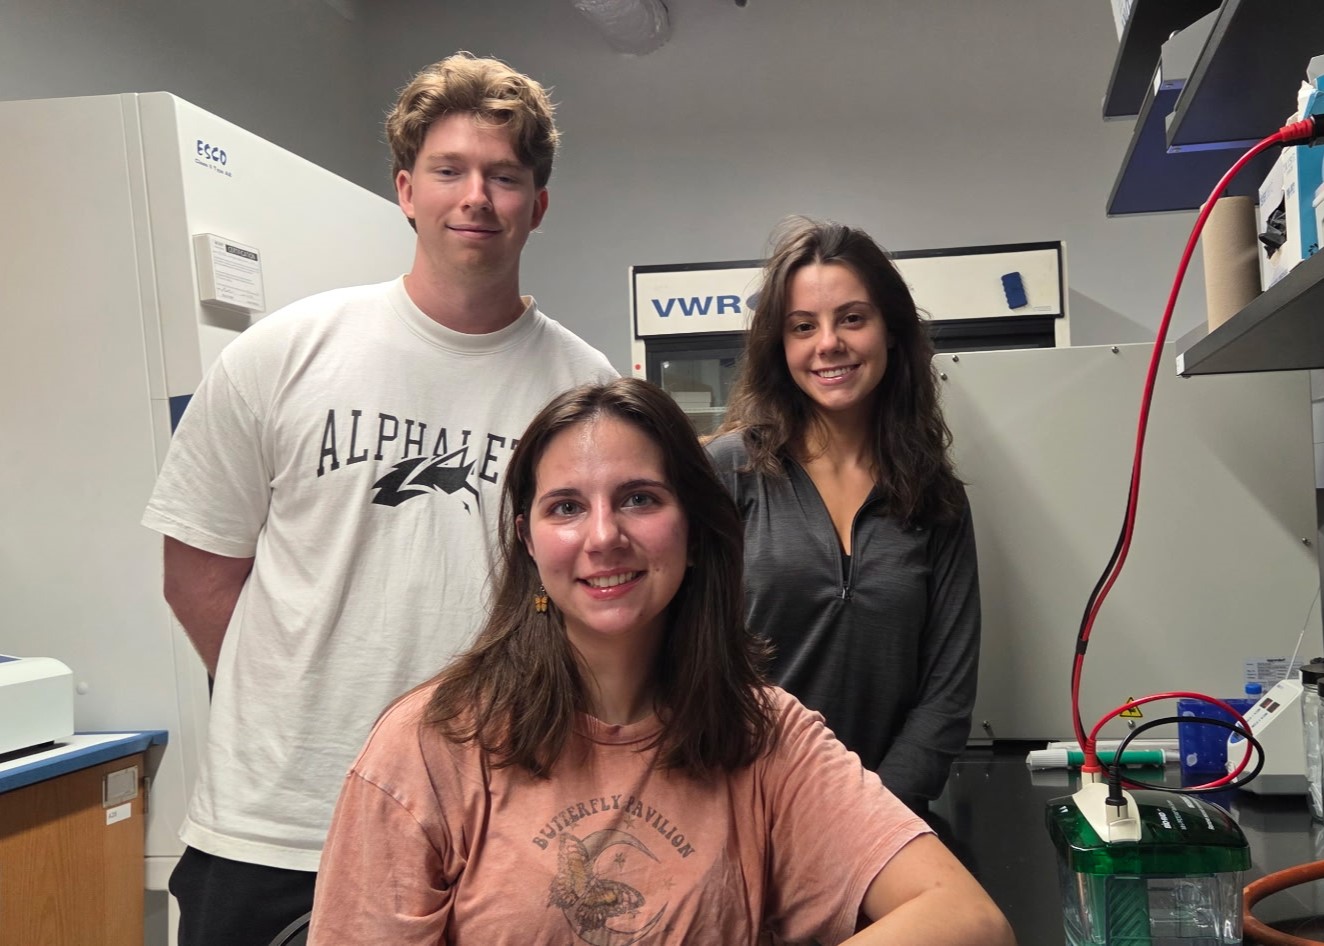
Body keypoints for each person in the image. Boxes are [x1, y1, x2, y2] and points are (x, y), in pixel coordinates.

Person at [141, 52, 616, 945]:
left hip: (489, 822)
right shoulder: (282, 355)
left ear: (537, 206)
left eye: (504, 177)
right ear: (405, 189)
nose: (475, 196)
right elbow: (197, 575)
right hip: (276, 828)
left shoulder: (580, 389)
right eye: (449, 171)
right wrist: (300, 692)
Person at [307, 378, 1013, 945]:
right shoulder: (429, 746)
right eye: (565, 508)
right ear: (527, 539)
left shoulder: (766, 736)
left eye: (639, 499)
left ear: (697, 529)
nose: (604, 535)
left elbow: (966, 920)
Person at [706, 217, 980, 813]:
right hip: (745, 815)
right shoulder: (726, 474)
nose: (828, 342)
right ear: (780, 348)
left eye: (852, 318)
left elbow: (947, 694)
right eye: (803, 327)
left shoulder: (935, 498)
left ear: (890, 331)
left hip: (890, 821)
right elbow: (685, 662)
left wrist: (871, 819)